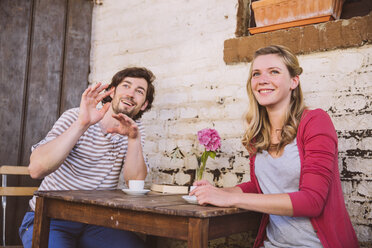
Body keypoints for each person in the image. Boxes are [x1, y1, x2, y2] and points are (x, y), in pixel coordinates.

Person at [190, 45, 359, 248]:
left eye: (274, 72)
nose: (262, 80)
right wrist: (219, 192)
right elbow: (261, 187)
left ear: (293, 81)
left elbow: (312, 201)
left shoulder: (315, 122)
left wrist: (230, 200)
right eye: (256, 74)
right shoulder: (258, 135)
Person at [19, 67, 156, 248]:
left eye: (139, 91)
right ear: (112, 91)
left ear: (144, 104)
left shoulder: (134, 130)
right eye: (126, 86)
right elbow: (36, 169)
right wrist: (82, 125)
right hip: (50, 219)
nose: (131, 94)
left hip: (96, 222)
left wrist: (133, 139)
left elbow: (135, 182)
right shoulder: (76, 116)